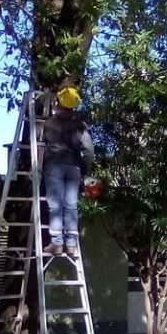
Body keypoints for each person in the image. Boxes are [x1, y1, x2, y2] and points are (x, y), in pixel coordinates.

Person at [42, 86, 95, 257]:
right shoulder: (80, 125)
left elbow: (43, 144)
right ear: (74, 105)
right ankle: (71, 244)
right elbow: (88, 150)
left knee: (55, 205)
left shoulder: (49, 123)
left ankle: (57, 244)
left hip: (54, 166)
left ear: (58, 102)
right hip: (74, 167)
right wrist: (86, 171)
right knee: (71, 205)